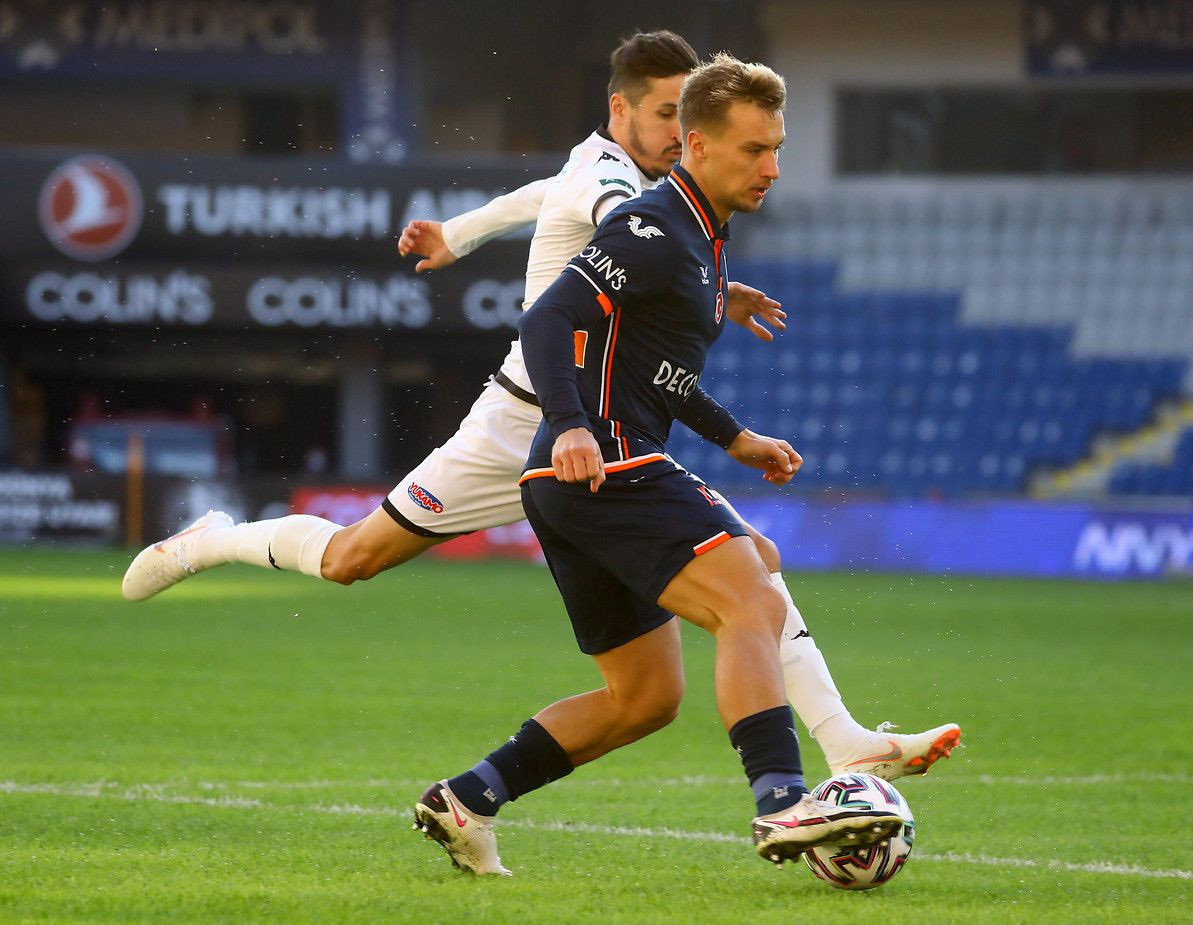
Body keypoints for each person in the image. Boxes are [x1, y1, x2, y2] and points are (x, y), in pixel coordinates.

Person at [121, 32, 958, 786]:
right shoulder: (622, 188)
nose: (678, 131)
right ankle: (216, 538)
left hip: (604, 423)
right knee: (351, 559)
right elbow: (614, 230)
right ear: (620, 111)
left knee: (745, 572)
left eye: (686, 114)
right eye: (666, 114)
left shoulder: (626, 175)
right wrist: (697, 280)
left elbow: (535, 195)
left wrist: (457, 234)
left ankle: (841, 740)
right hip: (531, 420)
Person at [415, 52, 913, 878]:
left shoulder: (704, 240)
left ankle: (468, 796)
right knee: (752, 589)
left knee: (646, 698)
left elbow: (659, 371)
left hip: (580, 480)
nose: (772, 167)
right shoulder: (652, 227)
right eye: (754, 149)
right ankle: (783, 802)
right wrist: (570, 424)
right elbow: (548, 318)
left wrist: (734, 437)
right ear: (699, 144)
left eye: (776, 148)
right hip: (605, 461)